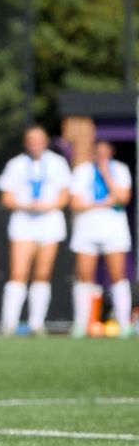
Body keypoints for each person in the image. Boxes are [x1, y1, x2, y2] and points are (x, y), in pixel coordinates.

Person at [0, 126, 72, 336]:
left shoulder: (58, 163)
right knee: (18, 273)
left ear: (46, 141)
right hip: (23, 223)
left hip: (50, 223)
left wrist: (48, 206)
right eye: (31, 140)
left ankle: (36, 323)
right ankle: (9, 323)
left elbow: (65, 195)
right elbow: (6, 198)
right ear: (25, 142)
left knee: (43, 274)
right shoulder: (15, 164)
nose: (35, 144)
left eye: (39, 139)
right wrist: (26, 205)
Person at [69, 140, 134, 338]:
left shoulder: (120, 170)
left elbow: (122, 198)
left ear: (111, 153)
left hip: (113, 229)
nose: (101, 156)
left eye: (105, 152)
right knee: (84, 276)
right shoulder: (82, 171)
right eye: (98, 152)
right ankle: (81, 324)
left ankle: (124, 324)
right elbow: (75, 203)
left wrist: (107, 175)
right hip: (86, 229)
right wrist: (103, 203)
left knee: (118, 275)